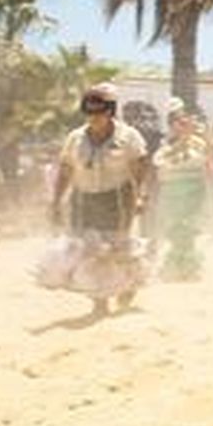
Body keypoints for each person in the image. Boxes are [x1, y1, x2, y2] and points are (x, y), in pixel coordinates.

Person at [43, 83, 149, 313]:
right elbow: (66, 170)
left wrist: (140, 196)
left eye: (99, 112)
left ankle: (128, 286)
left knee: (117, 248)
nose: (93, 117)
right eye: (89, 112)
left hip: (117, 199)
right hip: (84, 199)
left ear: (110, 111)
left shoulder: (129, 137)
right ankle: (99, 301)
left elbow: (140, 167)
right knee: (90, 250)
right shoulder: (75, 138)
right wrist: (56, 200)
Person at [153, 98, 207, 280]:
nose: (182, 125)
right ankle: (175, 265)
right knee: (175, 228)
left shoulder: (199, 143)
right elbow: (161, 162)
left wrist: (201, 137)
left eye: (184, 121)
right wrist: (181, 142)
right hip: (172, 193)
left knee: (190, 227)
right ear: (171, 124)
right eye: (177, 121)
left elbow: (207, 163)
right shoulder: (165, 144)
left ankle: (190, 266)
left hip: (194, 191)